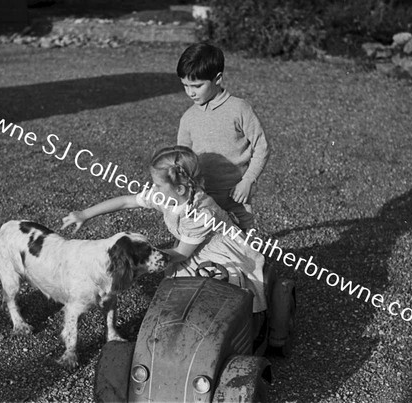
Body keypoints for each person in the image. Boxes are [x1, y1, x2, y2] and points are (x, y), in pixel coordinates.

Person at [61, 146, 267, 314]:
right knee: (182, 293)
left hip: (219, 252)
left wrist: (140, 264)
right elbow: (126, 201)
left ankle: (246, 323)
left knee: (225, 291)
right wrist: (85, 214)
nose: (153, 189)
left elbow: (180, 254)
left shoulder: (200, 213)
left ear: (179, 189)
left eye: (157, 184)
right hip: (191, 246)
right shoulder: (166, 196)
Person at [176, 42, 270, 232]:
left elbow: (261, 147)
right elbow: (182, 157)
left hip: (237, 196)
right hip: (202, 196)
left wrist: (248, 181)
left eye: (197, 85)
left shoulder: (239, 108)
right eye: (185, 85)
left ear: (217, 78)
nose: (190, 92)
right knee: (204, 241)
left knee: (245, 244)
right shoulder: (188, 117)